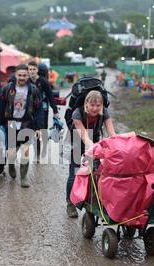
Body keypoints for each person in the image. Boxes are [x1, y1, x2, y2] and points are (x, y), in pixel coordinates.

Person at [66, 90, 116, 218]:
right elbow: (84, 137)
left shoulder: (104, 112)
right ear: (86, 104)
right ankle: (70, 203)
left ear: (102, 105)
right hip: (78, 140)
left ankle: (93, 200)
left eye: (98, 105)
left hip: (94, 139)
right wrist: (94, 149)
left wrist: (117, 146)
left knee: (96, 171)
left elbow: (112, 134)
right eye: (92, 105)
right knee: (75, 172)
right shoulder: (77, 113)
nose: (95, 108)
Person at [0, 64, 42, 188]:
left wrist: (38, 127)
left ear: (28, 75)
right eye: (20, 75)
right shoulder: (7, 89)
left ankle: (23, 177)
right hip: (11, 123)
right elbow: (1, 106)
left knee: (25, 151)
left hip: (27, 122)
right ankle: (11, 165)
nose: (22, 78)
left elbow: (39, 109)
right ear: (16, 75)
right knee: (11, 152)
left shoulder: (33, 90)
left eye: (24, 75)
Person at [27, 61, 60, 162]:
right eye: (30, 69)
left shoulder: (43, 81)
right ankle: (36, 154)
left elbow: (50, 95)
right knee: (31, 131)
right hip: (29, 110)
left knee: (42, 131)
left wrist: (55, 110)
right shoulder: (26, 81)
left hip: (42, 109)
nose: (32, 72)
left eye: (34, 69)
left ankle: (42, 148)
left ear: (37, 70)